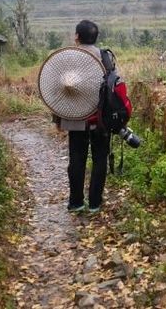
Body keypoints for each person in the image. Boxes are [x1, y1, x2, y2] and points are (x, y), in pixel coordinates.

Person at [52, 20, 132, 214]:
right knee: (100, 160)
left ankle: (76, 202)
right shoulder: (104, 57)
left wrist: (57, 119)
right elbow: (115, 86)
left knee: (77, 160)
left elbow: (56, 90)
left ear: (77, 36)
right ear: (95, 37)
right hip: (101, 120)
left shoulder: (67, 58)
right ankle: (95, 203)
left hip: (76, 119)